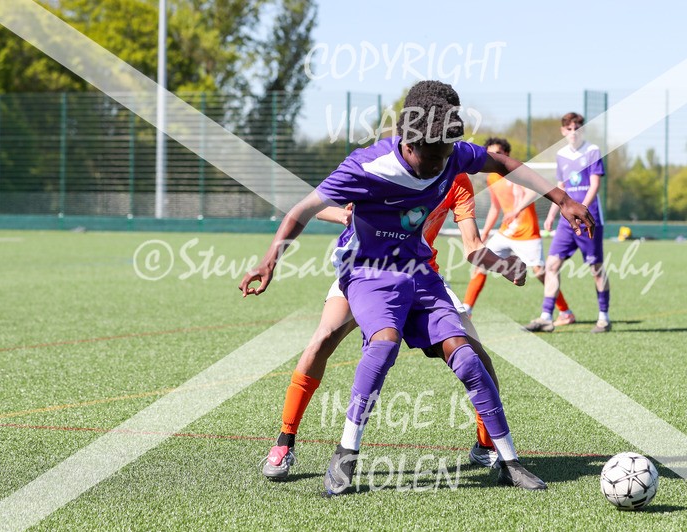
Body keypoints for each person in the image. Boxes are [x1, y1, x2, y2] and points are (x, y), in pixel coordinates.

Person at [240, 81, 594, 495]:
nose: (440, 166)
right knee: (350, 341)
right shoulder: (367, 166)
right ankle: (311, 446)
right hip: (366, 270)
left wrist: (562, 199)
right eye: (433, 157)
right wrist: (270, 259)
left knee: (470, 356)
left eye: (446, 156)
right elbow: (304, 209)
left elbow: (500, 166)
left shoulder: (451, 157)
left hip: (420, 272)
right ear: (409, 143)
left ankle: (504, 458)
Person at [260, 172, 519, 481]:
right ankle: (285, 439)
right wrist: (344, 215)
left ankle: (485, 445)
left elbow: (472, 245)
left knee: (477, 358)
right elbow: (317, 206)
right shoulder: (387, 164)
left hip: (422, 276)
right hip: (364, 270)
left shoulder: (457, 179)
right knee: (322, 339)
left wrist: (505, 265)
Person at [462, 137, 575, 326]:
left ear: (506, 154)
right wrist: (486, 232)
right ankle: (467, 310)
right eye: (490, 153)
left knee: (540, 272)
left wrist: (516, 209)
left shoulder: (516, 173)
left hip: (527, 232)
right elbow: (495, 208)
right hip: (505, 232)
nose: (493, 157)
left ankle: (565, 312)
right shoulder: (491, 177)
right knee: (480, 263)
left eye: (498, 153)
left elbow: (532, 192)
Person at [525, 112, 610, 334]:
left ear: (583, 130)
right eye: (569, 129)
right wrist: (552, 214)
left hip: (589, 219)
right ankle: (546, 317)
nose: (573, 133)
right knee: (552, 265)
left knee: (596, 268)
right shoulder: (561, 154)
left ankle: (603, 317)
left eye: (577, 128)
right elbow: (561, 189)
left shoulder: (593, 151)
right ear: (563, 131)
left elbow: (594, 184)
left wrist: (582, 209)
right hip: (566, 222)